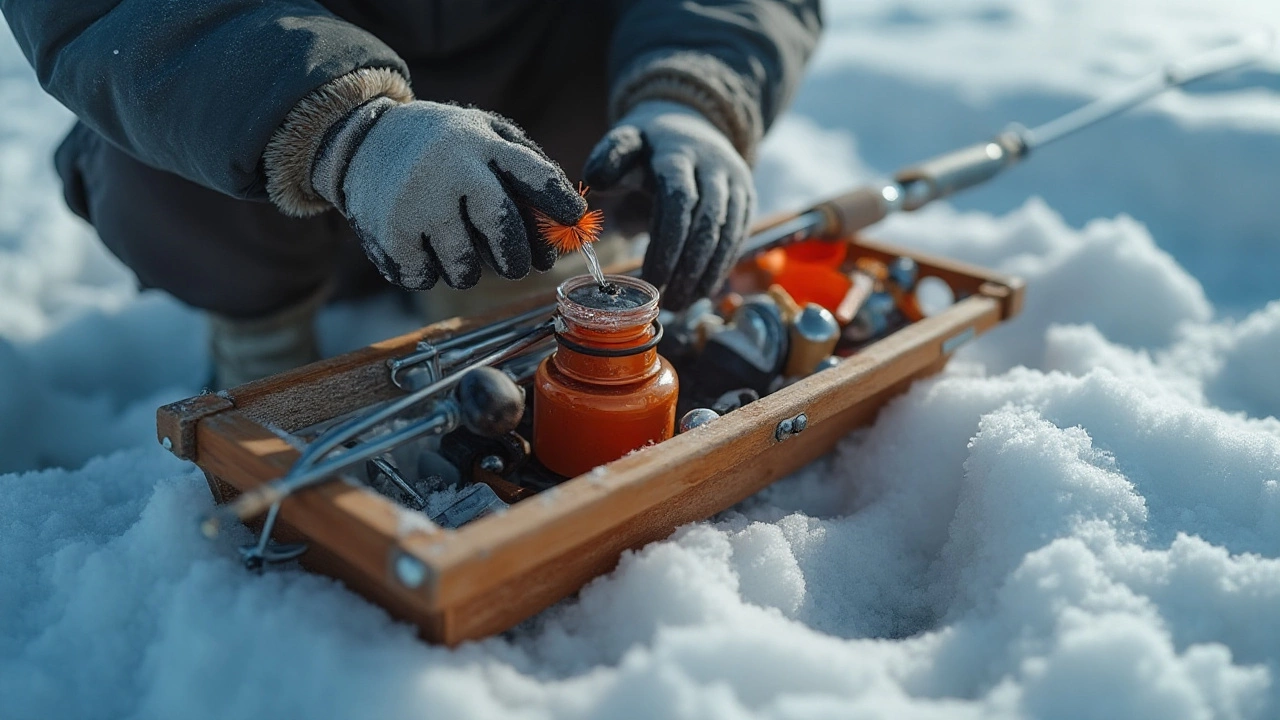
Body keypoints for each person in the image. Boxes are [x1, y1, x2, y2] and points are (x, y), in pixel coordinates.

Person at [2, 0, 822, 387]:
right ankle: (262, 328)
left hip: (551, 118)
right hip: (251, 161)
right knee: (145, 125)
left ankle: (523, 269)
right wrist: (342, 130)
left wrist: (695, 89)